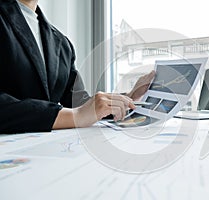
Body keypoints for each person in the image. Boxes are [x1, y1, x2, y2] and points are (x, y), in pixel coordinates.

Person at [0, 0, 155, 134]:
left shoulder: (62, 43)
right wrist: (77, 115)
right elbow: (79, 112)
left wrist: (129, 97)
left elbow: (79, 102)